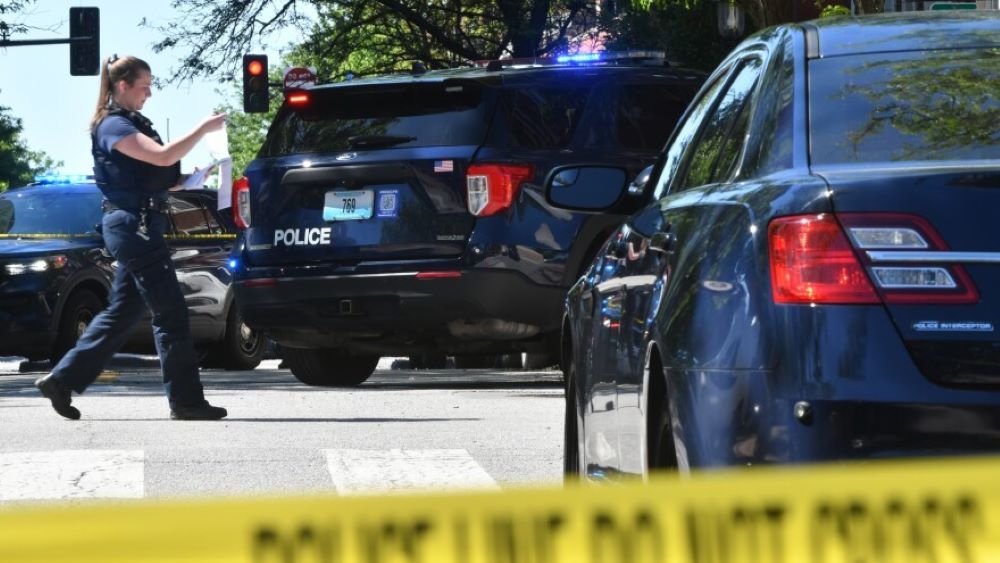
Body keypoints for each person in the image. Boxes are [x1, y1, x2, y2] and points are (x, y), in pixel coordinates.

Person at [35, 54, 228, 420]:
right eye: (145, 87)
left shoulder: (130, 123)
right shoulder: (112, 126)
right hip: (133, 227)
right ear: (123, 86)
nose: (149, 94)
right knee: (170, 311)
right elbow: (162, 156)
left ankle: (62, 380)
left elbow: (158, 173)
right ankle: (186, 401)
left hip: (139, 225)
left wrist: (189, 179)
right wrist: (203, 129)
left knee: (124, 311)